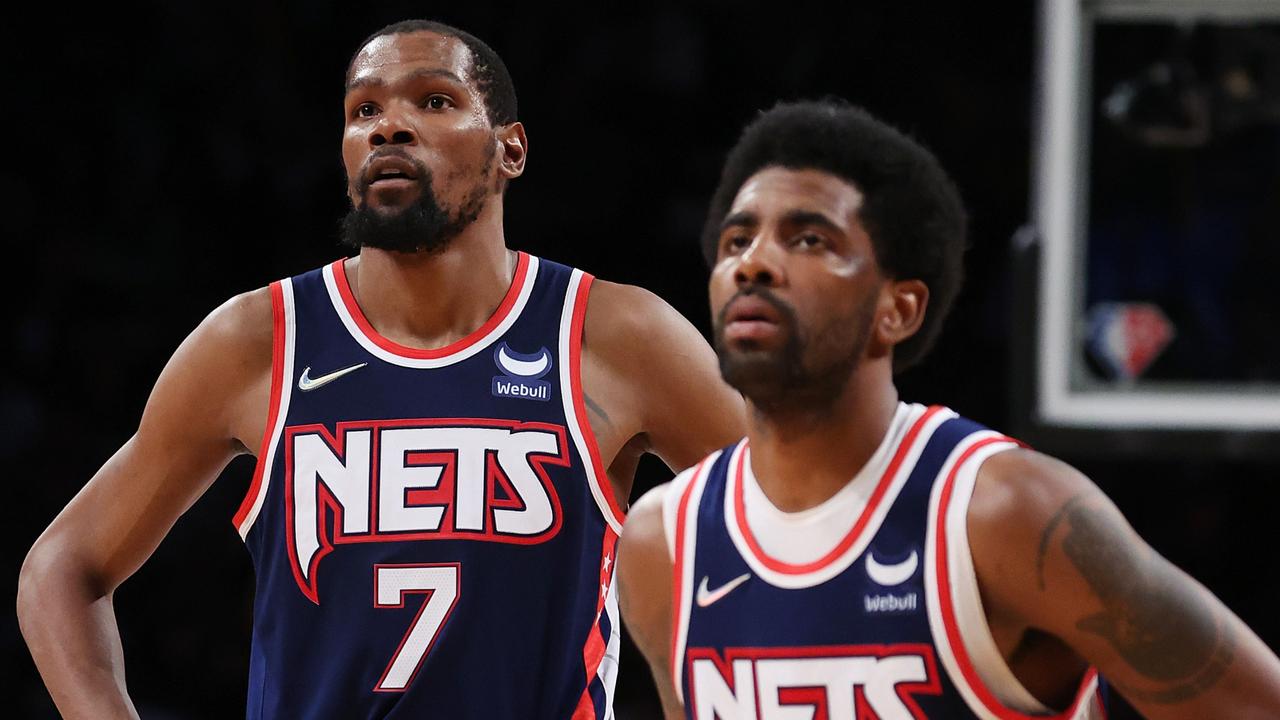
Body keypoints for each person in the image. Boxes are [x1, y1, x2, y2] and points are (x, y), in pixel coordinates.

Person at [17, 20, 745, 720]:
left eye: (434, 99)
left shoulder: (613, 335)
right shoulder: (259, 341)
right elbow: (61, 568)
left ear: (510, 150)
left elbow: (806, 526)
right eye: (364, 108)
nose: (388, 126)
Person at [616, 99, 1280, 719]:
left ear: (897, 309)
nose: (753, 263)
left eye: (810, 239)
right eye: (737, 241)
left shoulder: (1007, 512)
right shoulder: (662, 544)